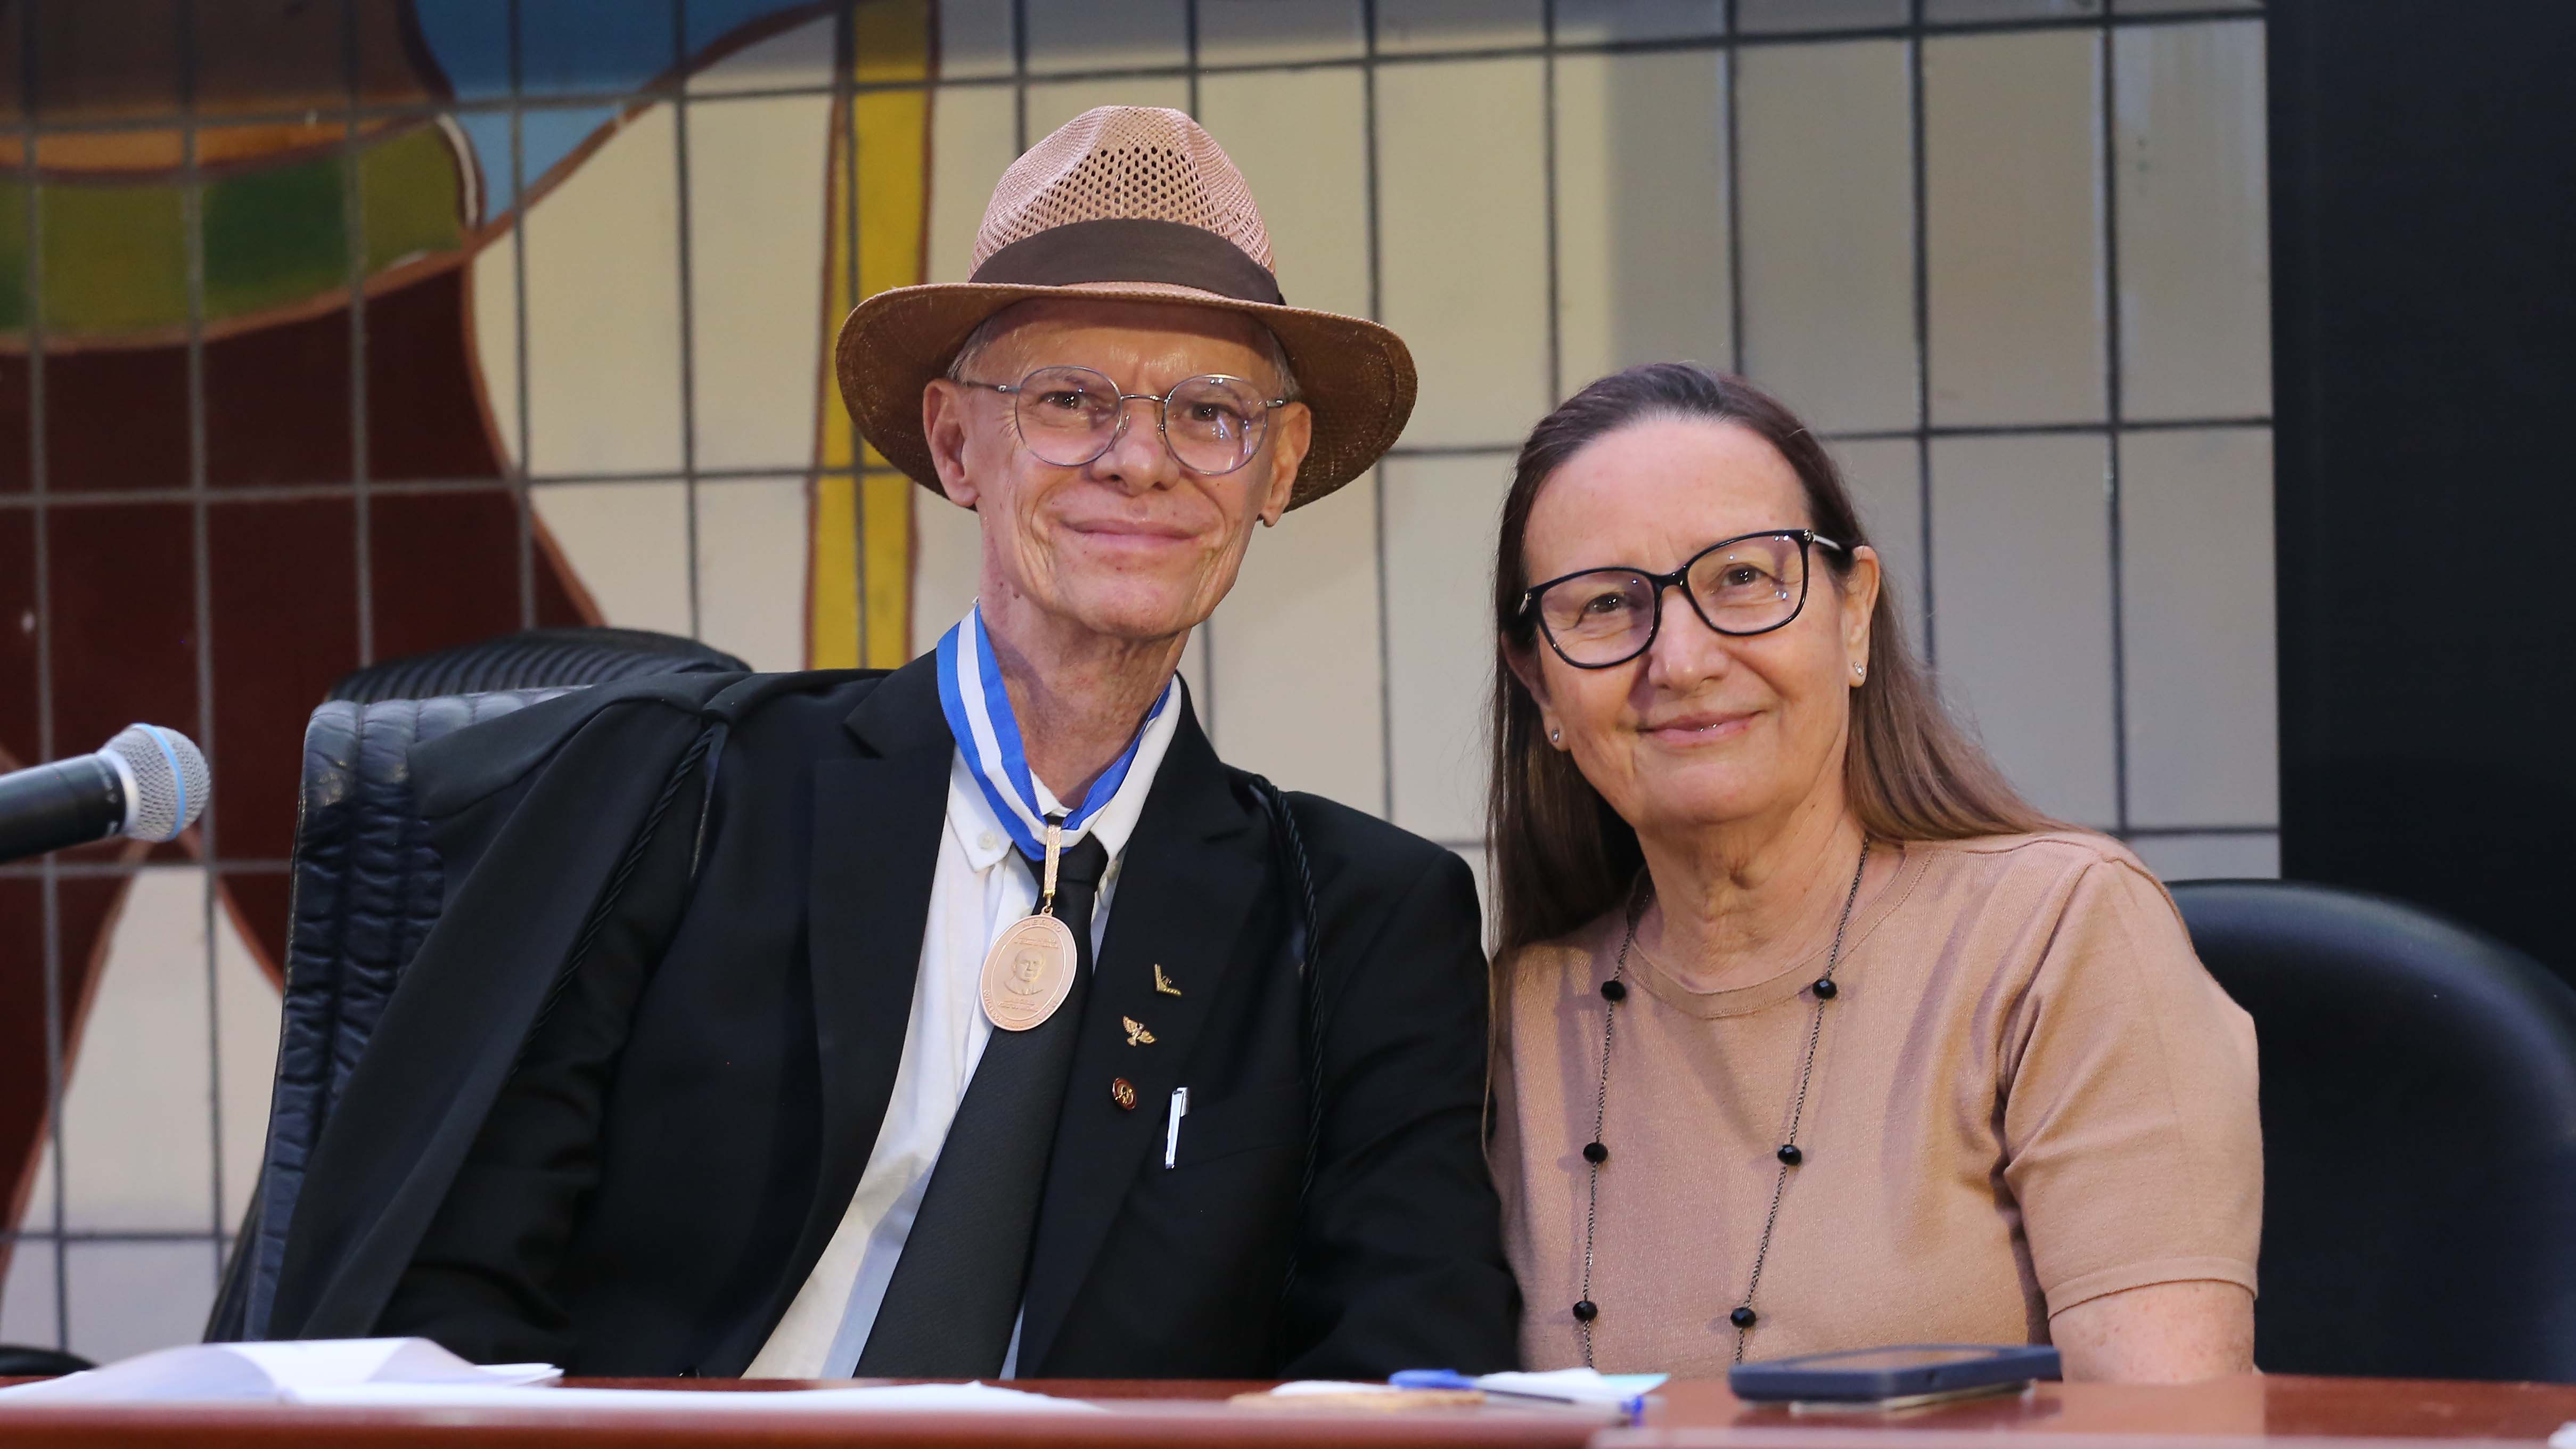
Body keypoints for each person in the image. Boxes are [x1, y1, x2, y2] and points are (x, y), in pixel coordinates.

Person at [265, 106, 1517, 1379]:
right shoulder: (682, 795)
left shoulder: (1359, 924)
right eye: (1069, 399)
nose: (1141, 461)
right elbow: (435, 1305)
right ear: (955, 440)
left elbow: (1406, 1370)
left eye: (1209, 414)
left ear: (1279, 465)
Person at [1484, 363, 2259, 1382]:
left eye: (1743, 580)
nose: (1679, 658)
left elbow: (2170, 1423)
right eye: (1604, 605)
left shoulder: (2061, 933)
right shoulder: (1514, 1011)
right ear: (1538, 680)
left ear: (1853, 616)